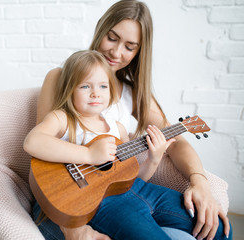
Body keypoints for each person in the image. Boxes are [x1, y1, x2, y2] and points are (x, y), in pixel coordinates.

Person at [35, 1, 232, 240]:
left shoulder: (134, 93)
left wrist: (199, 183)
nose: (116, 53)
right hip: (84, 192)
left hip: (131, 186)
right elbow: (39, 152)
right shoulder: (61, 77)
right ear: (100, 28)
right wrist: (88, 157)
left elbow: (176, 141)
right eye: (112, 38)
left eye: (129, 47)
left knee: (220, 230)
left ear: (139, 51)